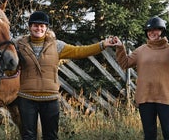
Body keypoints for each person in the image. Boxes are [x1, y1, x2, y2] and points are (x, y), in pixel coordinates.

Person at [15, 11, 115, 140]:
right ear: (30, 27)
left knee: (51, 136)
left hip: (50, 99)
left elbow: (79, 51)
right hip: (27, 99)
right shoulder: (19, 45)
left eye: (42, 26)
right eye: (35, 25)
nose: (39, 28)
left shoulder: (57, 45)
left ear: (46, 28)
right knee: (28, 136)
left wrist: (102, 45)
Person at [111, 16, 169, 140]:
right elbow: (125, 63)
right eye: (149, 31)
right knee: (149, 136)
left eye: (156, 30)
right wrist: (120, 47)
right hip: (145, 98)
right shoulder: (141, 50)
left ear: (162, 31)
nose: (152, 33)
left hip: (167, 98)